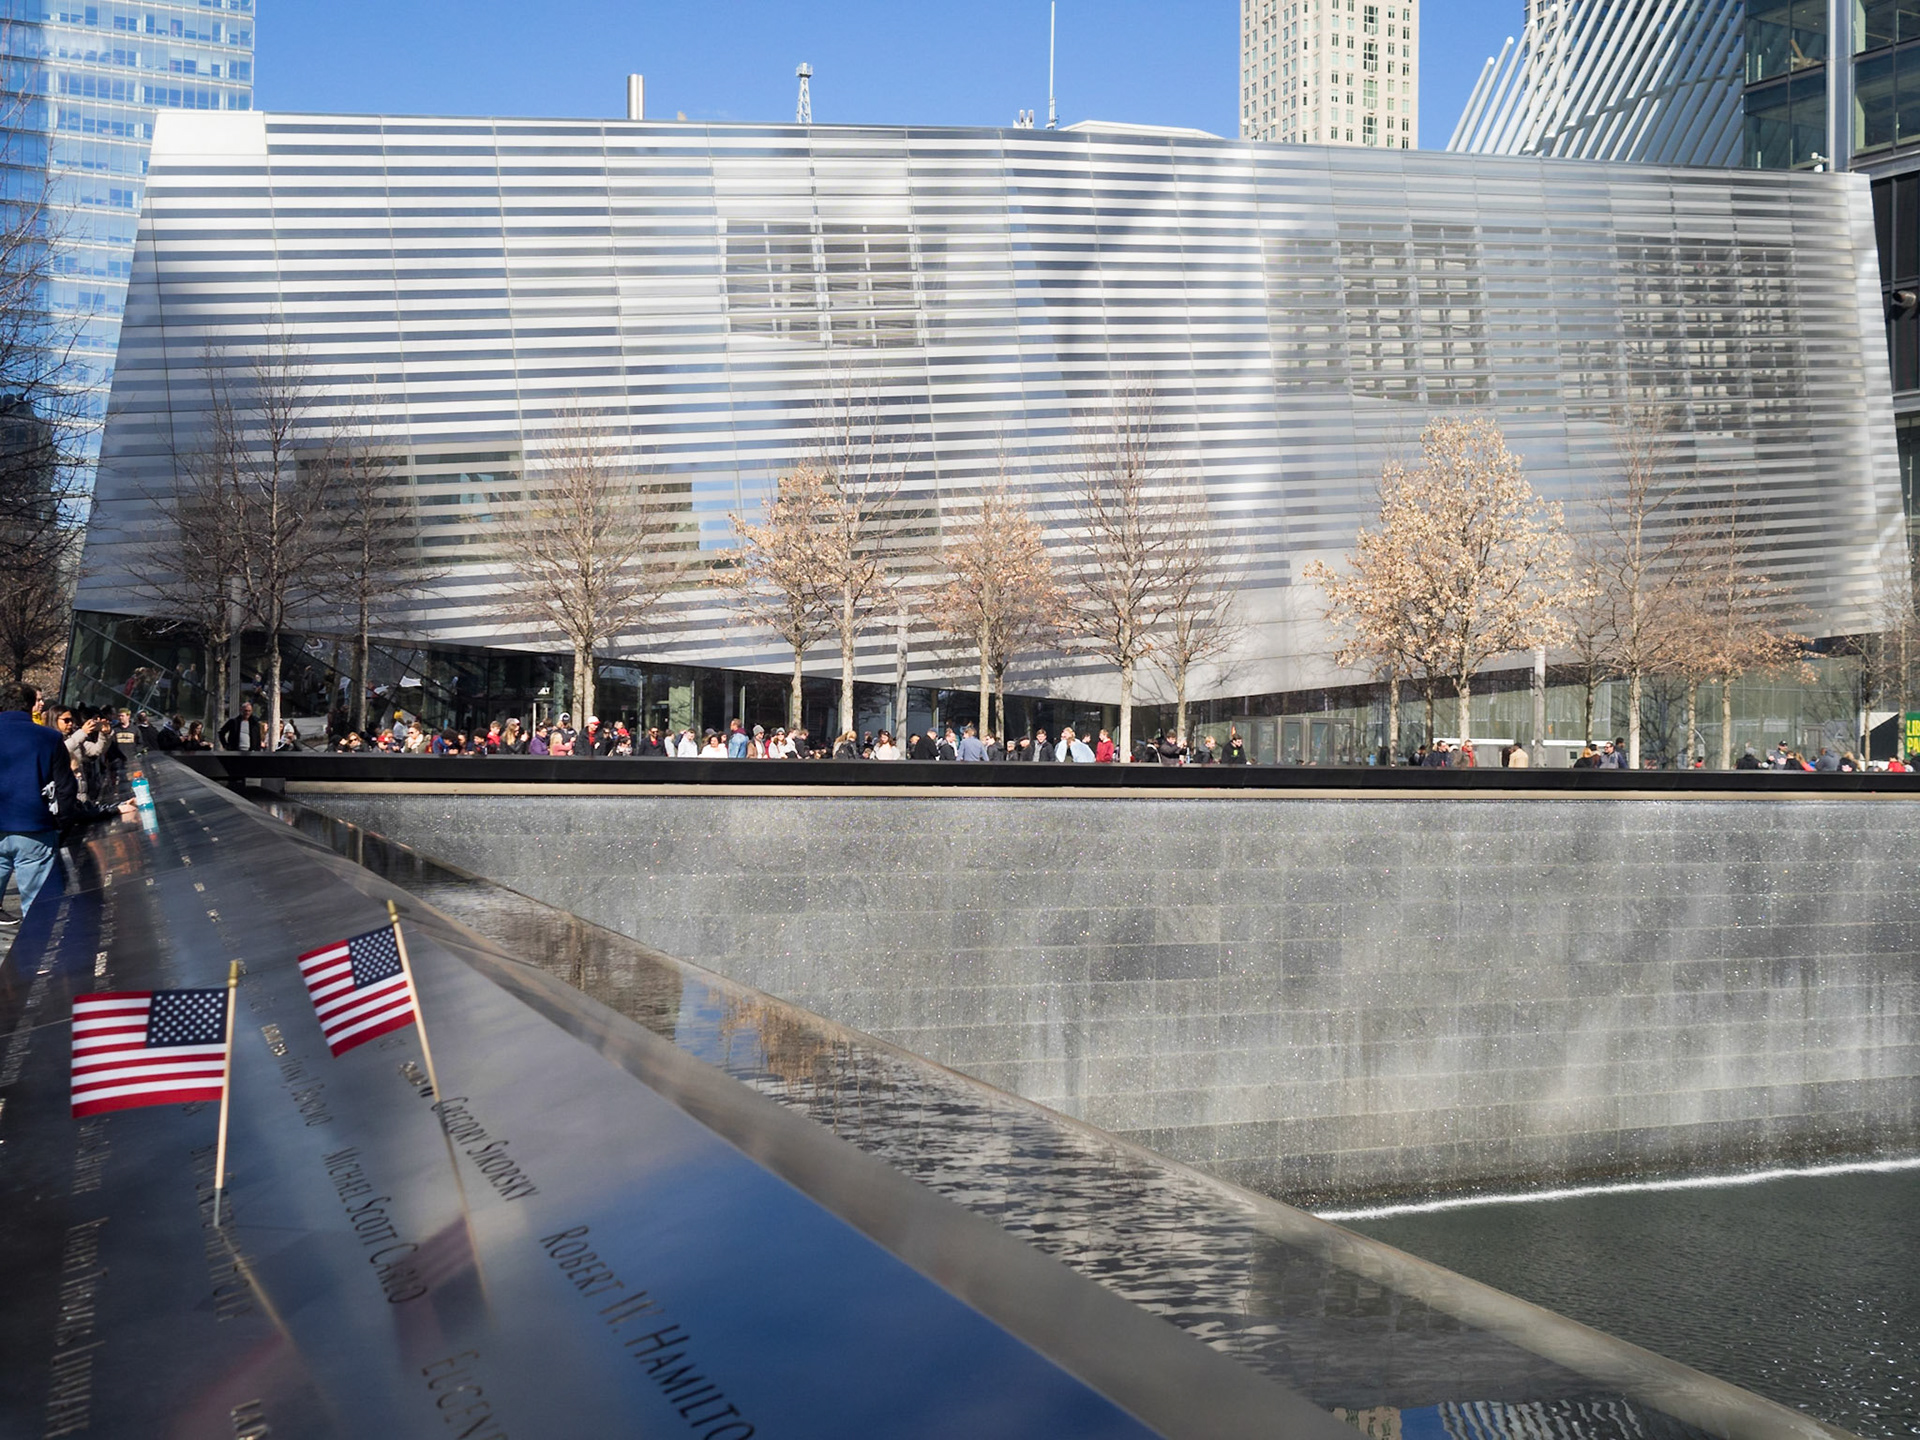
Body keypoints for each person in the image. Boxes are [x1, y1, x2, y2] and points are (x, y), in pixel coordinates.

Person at [0, 684, 75, 928]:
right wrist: (62, 823)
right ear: (32, 705)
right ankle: (36, 960)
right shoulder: (49, 738)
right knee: (37, 909)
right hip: (34, 826)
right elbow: (65, 787)